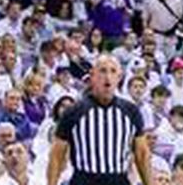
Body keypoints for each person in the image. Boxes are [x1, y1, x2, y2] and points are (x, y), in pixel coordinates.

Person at [46, 56, 151, 185]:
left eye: (113, 71)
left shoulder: (131, 111)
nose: (108, 77)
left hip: (118, 179)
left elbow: (142, 154)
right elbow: (57, 155)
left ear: (119, 78)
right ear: (92, 76)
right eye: (102, 71)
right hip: (84, 179)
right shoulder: (74, 111)